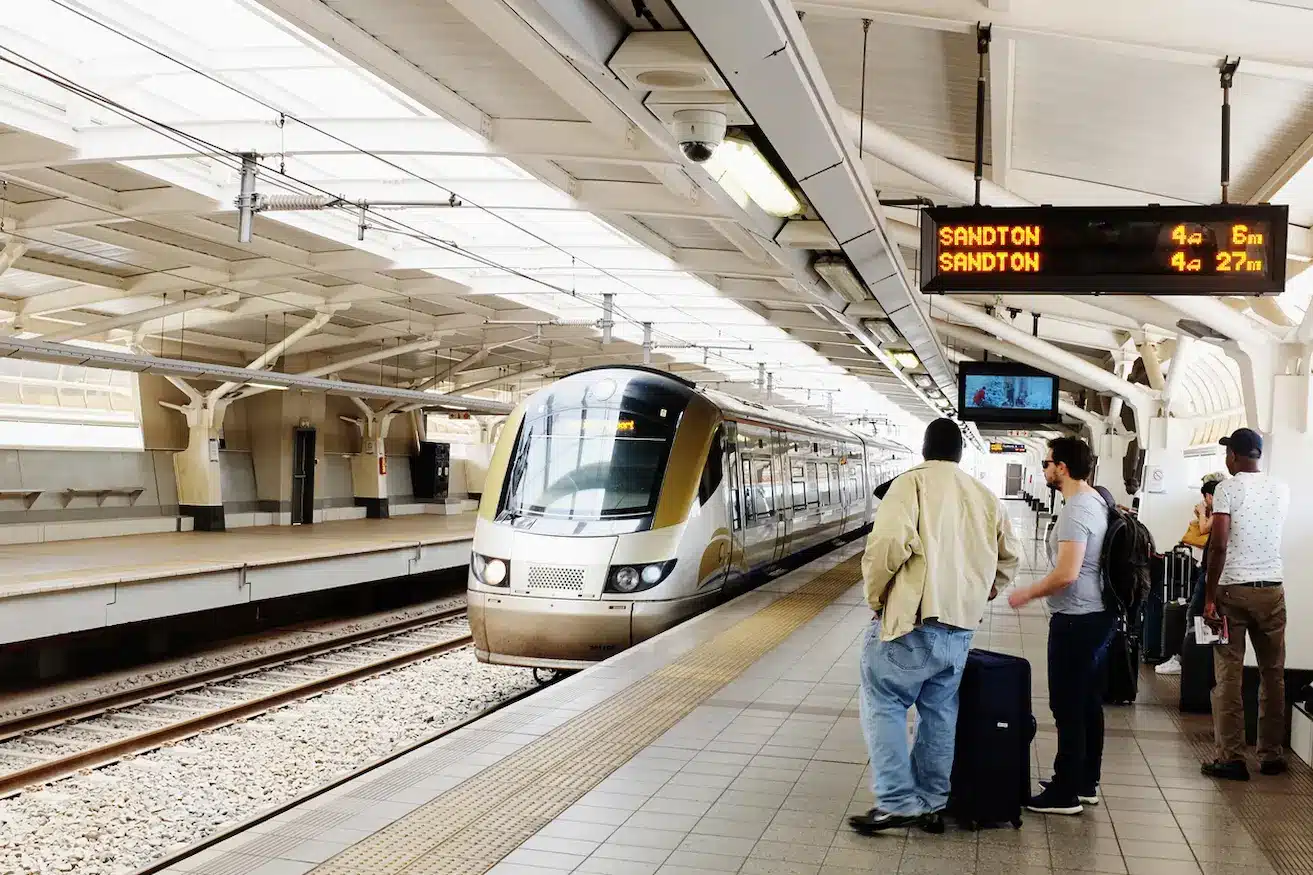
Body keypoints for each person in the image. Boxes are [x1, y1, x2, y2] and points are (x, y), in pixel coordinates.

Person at [851, 418, 1021, 833]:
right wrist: (987, 591)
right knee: (940, 713)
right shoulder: (984, 495)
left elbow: (888, 543)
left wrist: (876, 598)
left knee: (884, 703)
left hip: (913, 622)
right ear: (960, 455)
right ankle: (931, 800)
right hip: (959, 629)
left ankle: (896, 801)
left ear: (924, 450)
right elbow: (1010, 556)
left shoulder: (910, 485)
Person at [1008, 437, 1112, 816]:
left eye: (1047, 463)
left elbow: (1067, 573)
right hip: (1096, 617)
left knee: (1067, 705)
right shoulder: (1098, 500)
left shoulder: (1076, 509)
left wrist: (1028, 593)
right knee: (1086, 703)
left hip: (1076, 621)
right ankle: (1085, 782)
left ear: (1063, 468)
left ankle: (1065, 792)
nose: (1045, 470)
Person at [1201, 428, 1290, 781]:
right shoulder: (1280, 488)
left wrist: (1208, 598)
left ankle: (1231, 758)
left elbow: (1219, 545)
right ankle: (1271, 755)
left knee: (1229, 674)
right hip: (1272, 590)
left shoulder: (1228, 487)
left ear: (1234, 456)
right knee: (1274, 673)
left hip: (1232, 594)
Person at [1156, 475, 1222, 676]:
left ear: (1209, 496)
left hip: (1210, 570)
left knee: (1194, 612)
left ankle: (1188, 659)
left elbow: (1203, 529)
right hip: (1211, 569)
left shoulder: (1220, 510)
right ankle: (1195, 659)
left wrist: (1203, 512)